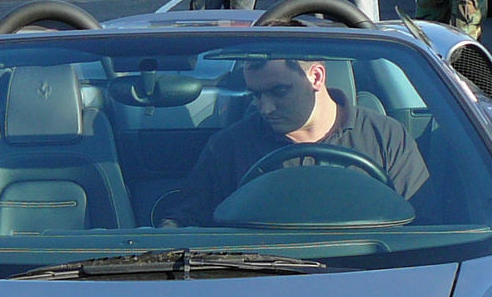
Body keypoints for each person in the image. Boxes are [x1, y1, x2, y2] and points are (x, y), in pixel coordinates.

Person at [160, 58, 428, 226]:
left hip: (373, 278)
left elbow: (424, 221)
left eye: (279, 91)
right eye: (256, 95)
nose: (266, 108)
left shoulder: (385, 135)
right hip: (257, 283)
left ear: (316, 77)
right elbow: (185, 221)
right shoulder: (230, 146)